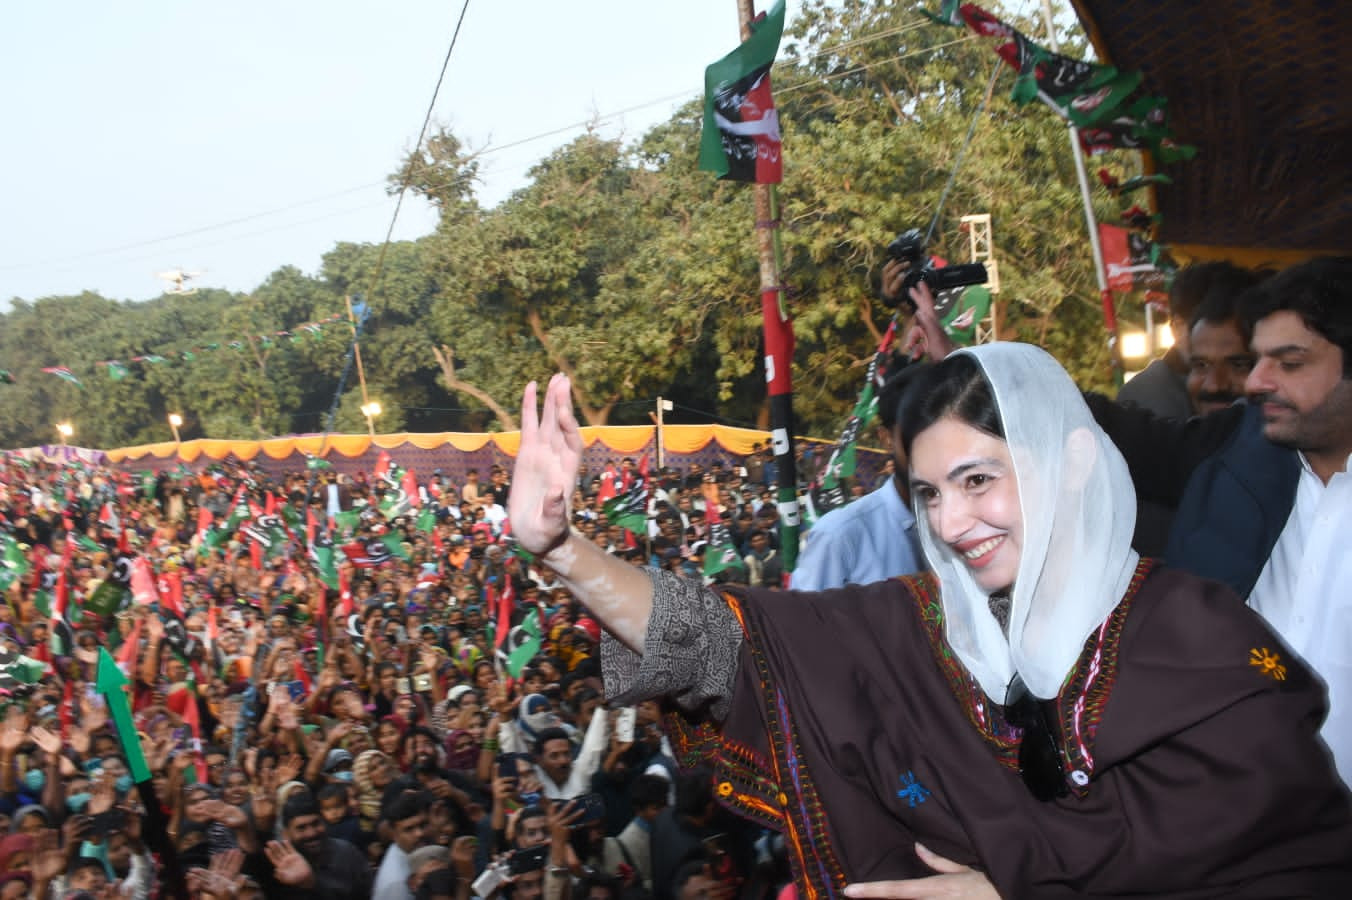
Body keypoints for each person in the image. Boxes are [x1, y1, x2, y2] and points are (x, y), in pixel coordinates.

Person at [508, 354, 1352, 898]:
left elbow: (1290, 862)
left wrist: (1011, 890)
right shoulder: (913, 628)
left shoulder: (1199, 635)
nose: (951, 523)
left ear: (1074, 462)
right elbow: (729, 643)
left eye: (978, 479)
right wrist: (560, 547)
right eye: (929, 494)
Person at [792, 359, 928, 590]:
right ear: (886, 438)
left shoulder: (973, 527)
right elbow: (799, 624)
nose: (937, 450)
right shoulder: (840, 536)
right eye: (919, 434)